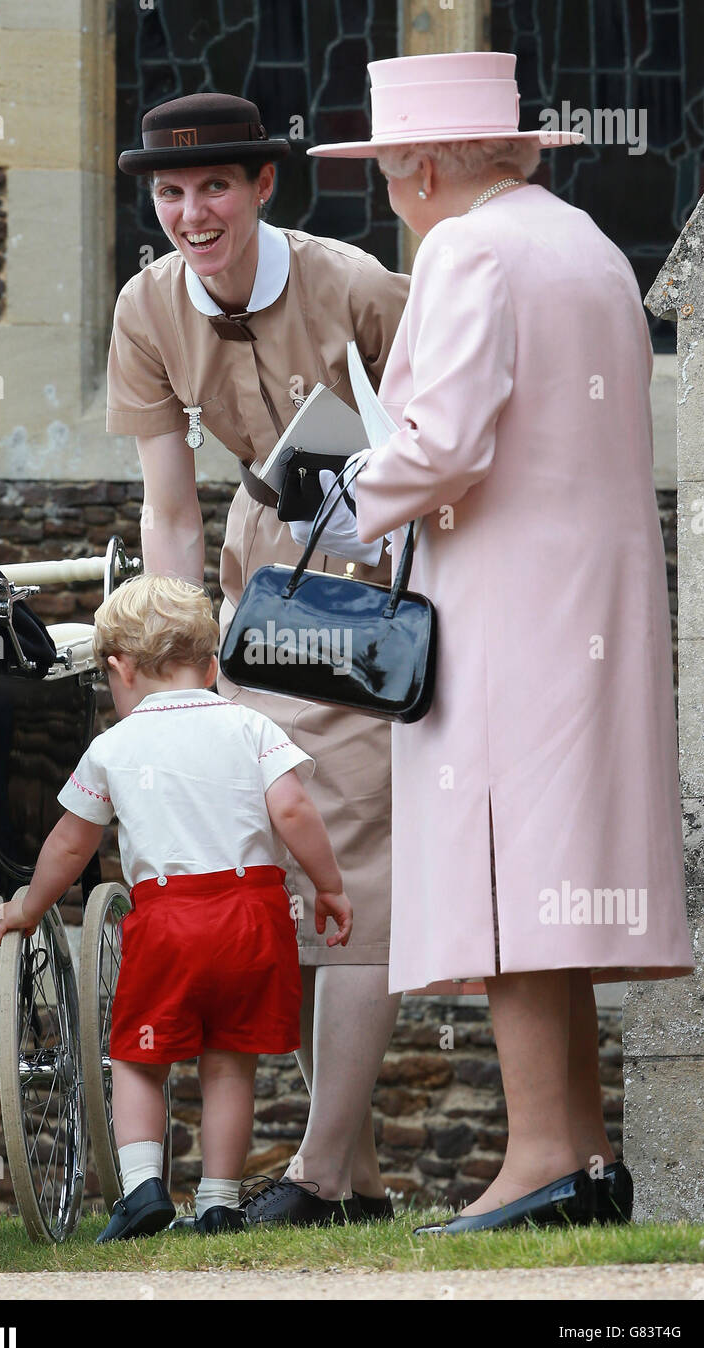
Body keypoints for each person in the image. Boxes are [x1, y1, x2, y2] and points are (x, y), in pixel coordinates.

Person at [301, 50, 695, 1233]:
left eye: (386, 171)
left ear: (422, 164)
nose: (387, 197)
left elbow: (443, 440)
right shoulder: (579, 240)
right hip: (591, 601)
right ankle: (580, 1155)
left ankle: (534, 1159)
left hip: (509, 603)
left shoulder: (466, 249)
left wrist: (326, 487)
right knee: (553, 869)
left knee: (512, 872)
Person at [106, 91, 411, 1225]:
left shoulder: (356, 285)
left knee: (351, 859)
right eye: (171, 192)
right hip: (252, 577)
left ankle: (321, 1174)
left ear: (262, 185)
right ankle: (360, 1173)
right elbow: (169, 506)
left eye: (214, 188)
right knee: (269, 861)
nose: (191, 212)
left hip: (371, 574)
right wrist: (181, 658)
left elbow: (454, 433)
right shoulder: (146, 306)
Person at [0, 575, 353, 1239]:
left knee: (138, 1057)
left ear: (118, 668)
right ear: (212, 665)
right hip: (254, 913)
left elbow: (72, 845)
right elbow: (294, 808)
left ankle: (142, 1189)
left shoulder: (114, 747)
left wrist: (26, 906)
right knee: (229, 1061)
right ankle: (218, 1203)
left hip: (170, 918)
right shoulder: (249, 725)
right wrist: (327, 885)